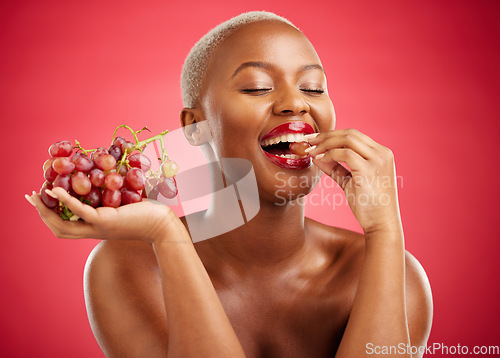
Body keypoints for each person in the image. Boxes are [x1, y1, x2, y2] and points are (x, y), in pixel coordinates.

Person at [26, 11, 432, 358]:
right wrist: (167, 236)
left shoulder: (387, 272)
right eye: (257, 87)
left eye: (313, 87)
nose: (297, 103)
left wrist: (385, 230)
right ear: (195, 127)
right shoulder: (130, 266)